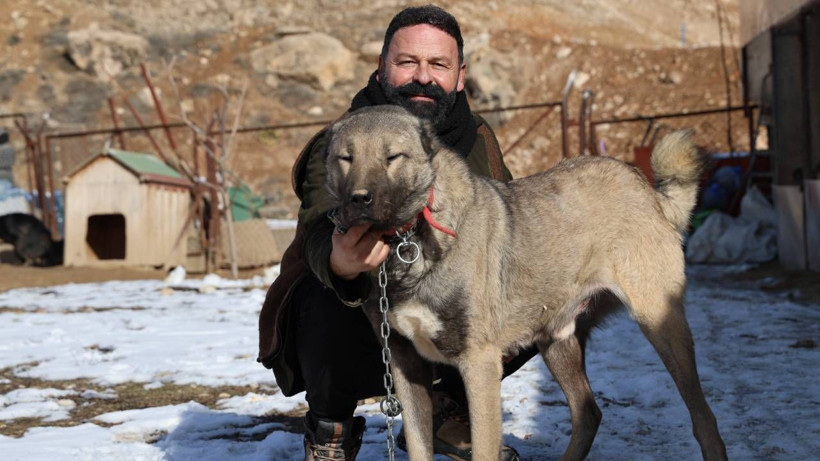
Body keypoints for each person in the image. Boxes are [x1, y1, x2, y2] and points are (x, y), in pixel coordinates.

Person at [258, 5, 537, 460]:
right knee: (324, 298)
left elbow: (505, 226)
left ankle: (444, 409)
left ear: (460, 76)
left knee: (529, 291)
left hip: (447, 311)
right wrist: (337, 262)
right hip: (364, 326)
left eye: (438, 65)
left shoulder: (478, 137)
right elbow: (314, 226)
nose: (422, 76)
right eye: (407, 62)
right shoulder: (344, 140)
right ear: (383, 67)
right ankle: (331, 428)